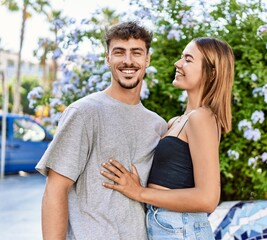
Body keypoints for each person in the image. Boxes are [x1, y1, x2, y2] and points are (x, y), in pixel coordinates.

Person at [36, 21, 167, 240]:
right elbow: (55, 189)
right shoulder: (84, 112)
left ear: (147, 59)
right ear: (108, 59)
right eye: (119, 52)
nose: (128, 61)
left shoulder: (157, 125)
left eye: (136, 53)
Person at [101, 37, 235, 239]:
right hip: (168, 226)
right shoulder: (176, 122)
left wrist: (139, 192)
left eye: (188, 60)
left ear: (211, 72)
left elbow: (208, 198)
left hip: (182, 229)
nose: (178, 64)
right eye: (181, 57)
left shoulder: (202, 118)